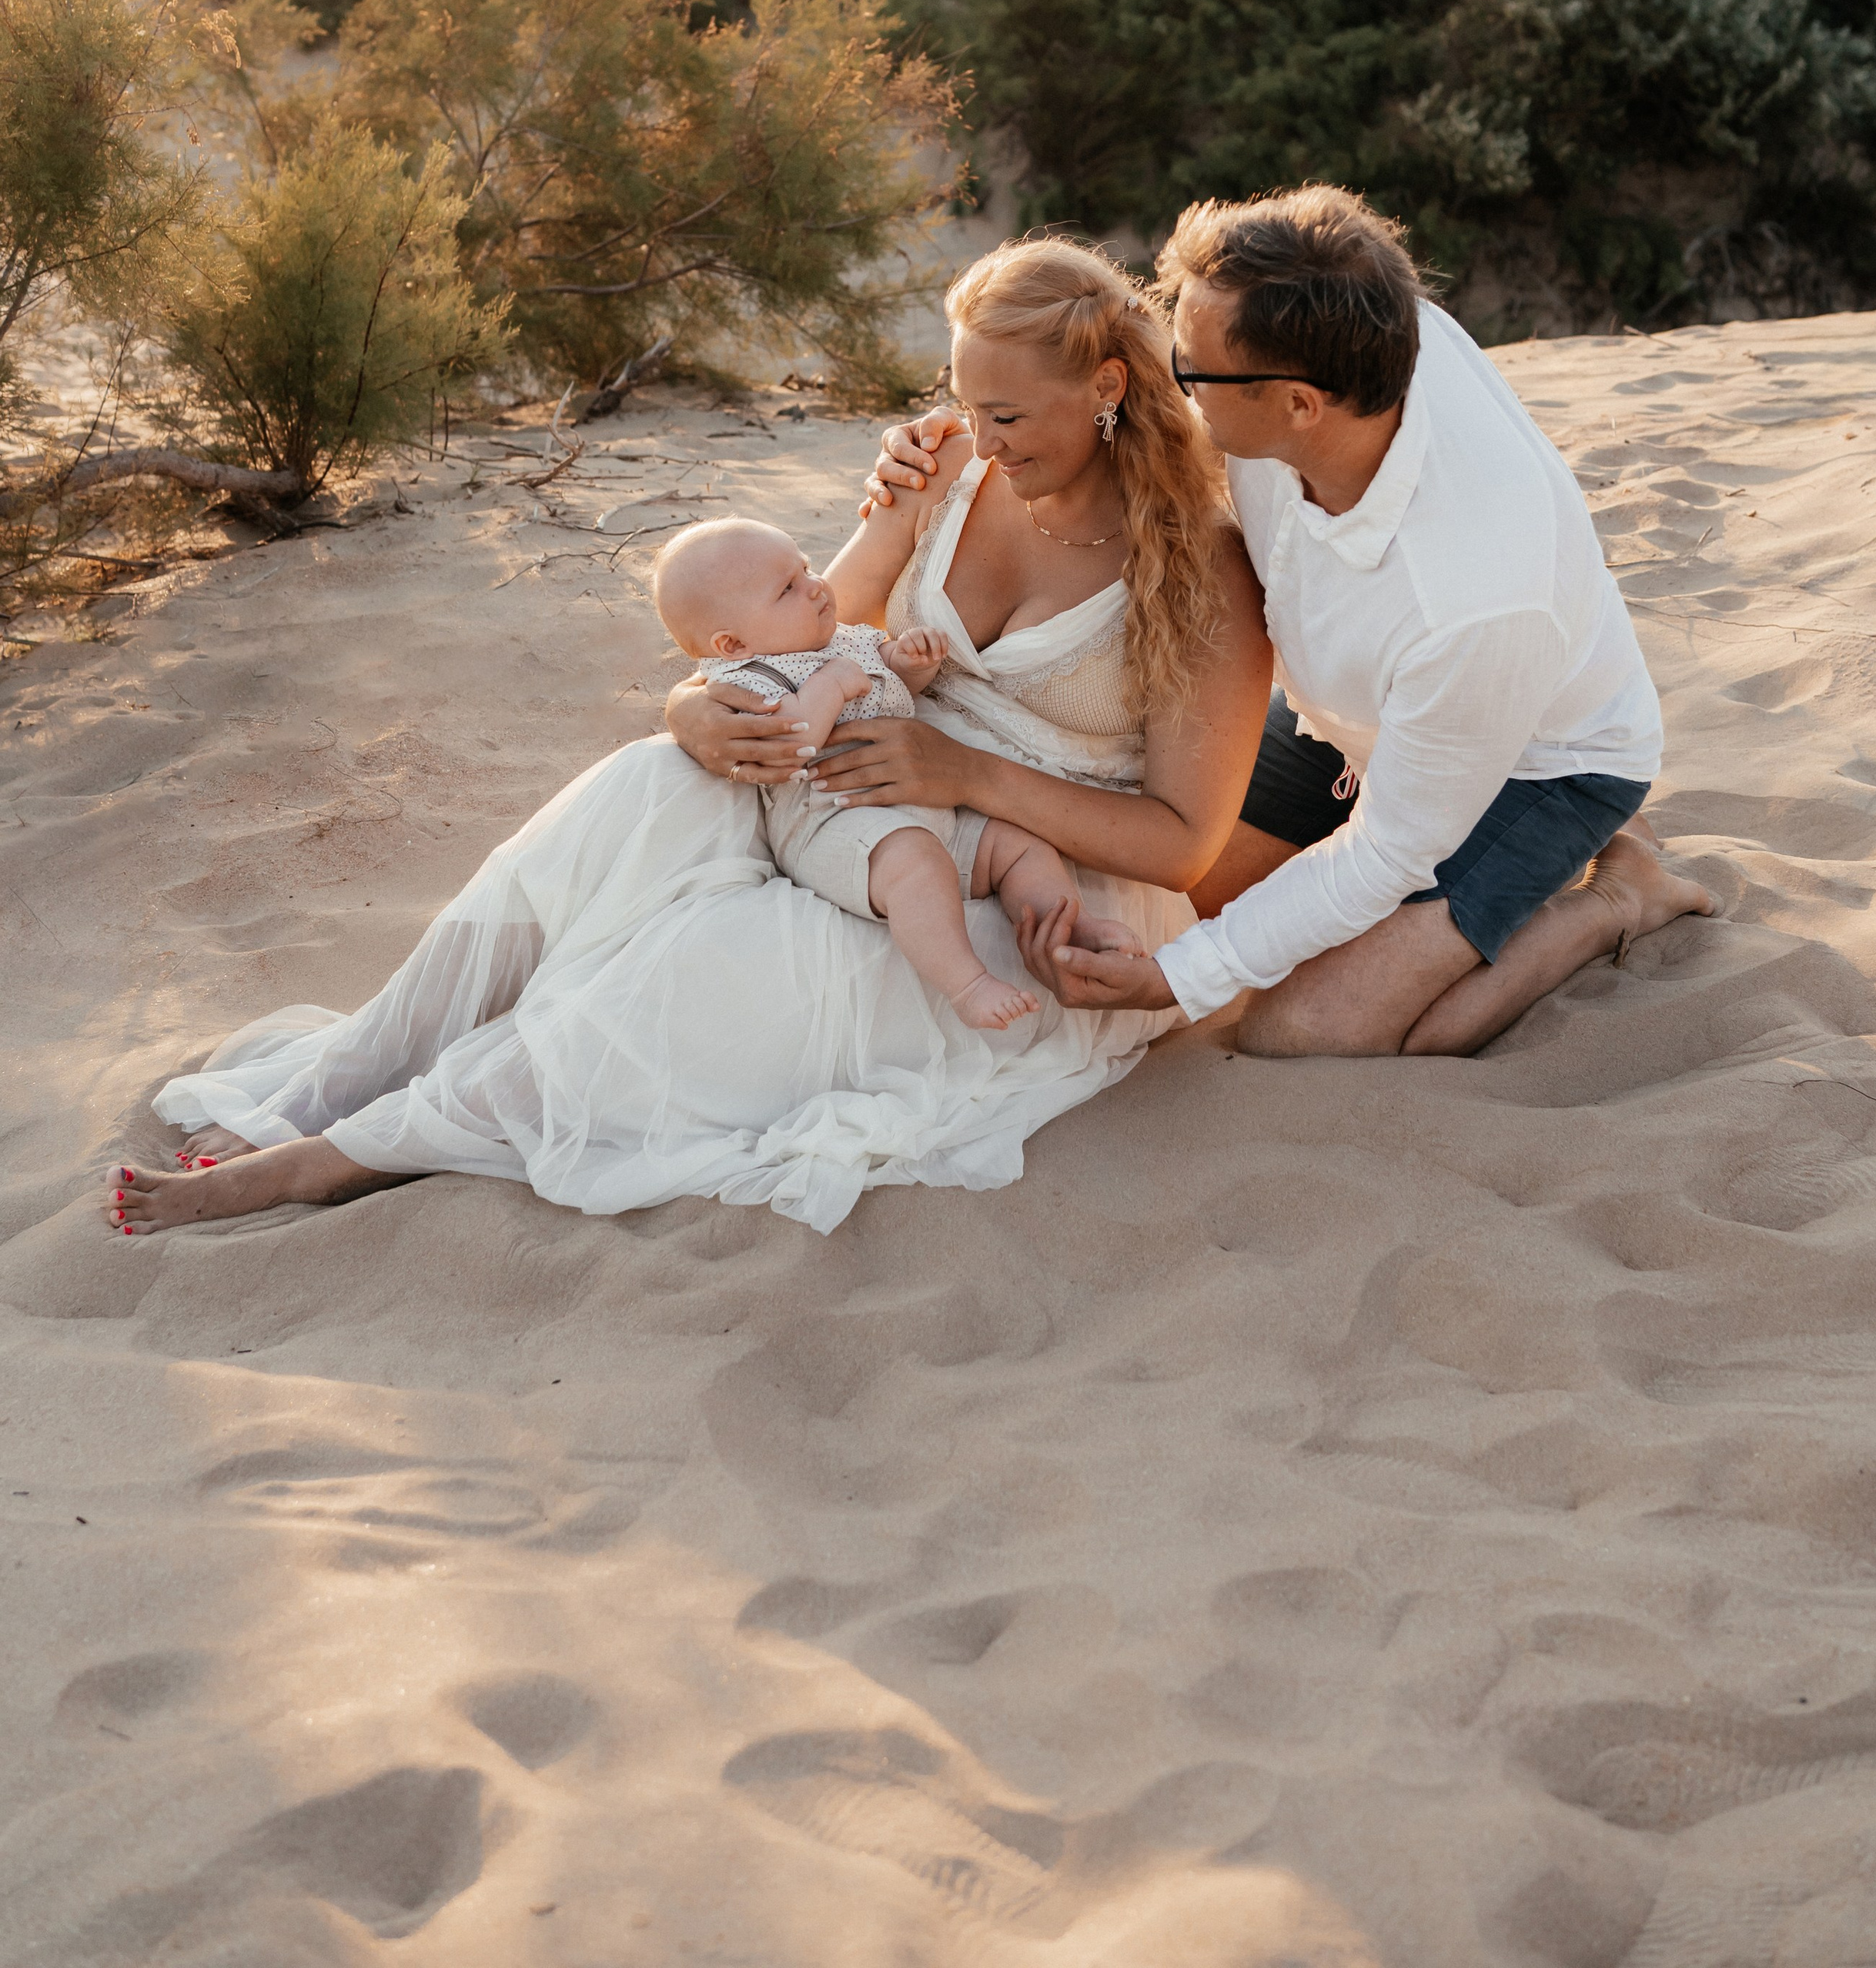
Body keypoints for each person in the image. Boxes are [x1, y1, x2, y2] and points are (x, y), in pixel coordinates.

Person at [106, 238, 1271, 1241]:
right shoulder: (951, 467)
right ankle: (339, 1078)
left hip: (1036, 887)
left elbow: (1180, 843)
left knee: (707, 966)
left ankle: (347, 1157)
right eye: (966, 404)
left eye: (1006, 414)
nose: (979, 434)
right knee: (639, 790)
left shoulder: (1200, 565)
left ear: (1109, 387)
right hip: (856, 768)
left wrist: (962, 774)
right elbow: (820, 612)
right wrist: (694, 706)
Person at [861, 185, 1715, 1060]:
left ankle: (1624, 888)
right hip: (1342, 709)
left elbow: (1387, 854)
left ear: (1298, 405)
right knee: (1173, 901)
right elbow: (1121, 413)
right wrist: (971, 436)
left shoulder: (1471, 598)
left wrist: (1178, 978)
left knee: (1313, 1026)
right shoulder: (1342, 330)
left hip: (1533, 762)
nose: (1170, 380)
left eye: (1189, 371)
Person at [653, 514, 1055, 1032]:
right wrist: (833, 687)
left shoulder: (840, 640)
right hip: (834, 822)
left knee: (1021, 846)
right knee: (917, 865)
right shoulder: (748, 679)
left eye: (806, 568)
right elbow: (790, 744)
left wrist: (909, 662)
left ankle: (1059, 928)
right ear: (732, 645)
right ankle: (968, 984)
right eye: (788, 589)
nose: (817, 587)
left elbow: (890, 682)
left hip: (923, 808)